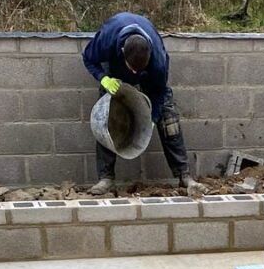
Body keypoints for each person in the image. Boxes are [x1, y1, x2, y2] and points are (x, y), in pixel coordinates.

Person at [82, 12, 193, 195]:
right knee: (105, 115)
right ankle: (106, 178)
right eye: (132, 68)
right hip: (115, 73)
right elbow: (88, 58)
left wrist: (152, 119)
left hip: (148, 75)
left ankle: (184, 175)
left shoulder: (158, 60)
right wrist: (103, 79)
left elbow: (159, 92)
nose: (134, 74)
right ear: (123, 51)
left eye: (137, 70)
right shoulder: (108, 37)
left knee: (168, 119)